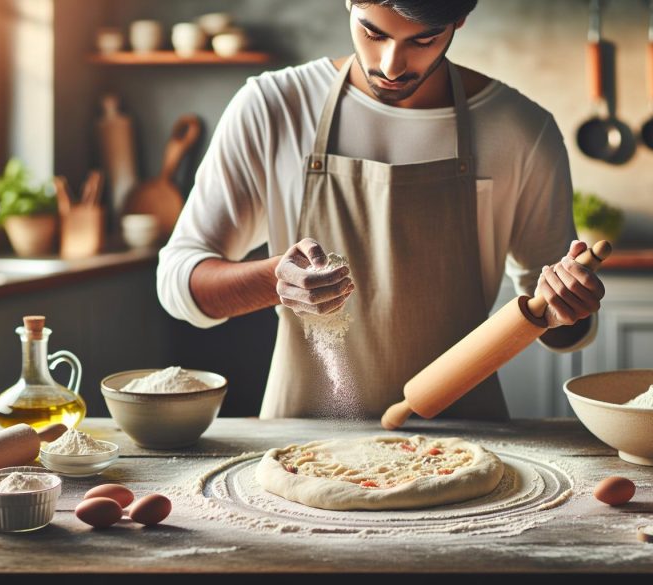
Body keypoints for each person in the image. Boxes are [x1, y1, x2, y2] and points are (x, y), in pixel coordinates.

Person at [158, 0, 605, 420]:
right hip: (303, 438)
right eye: (372, 32)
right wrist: (276, 281)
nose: (391, 65)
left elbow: (559, 327)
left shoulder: (521, 131)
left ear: (458, 22)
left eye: (422, 40)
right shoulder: (274, 107)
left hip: (466, 438)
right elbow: (177, 281)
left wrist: (569, 307)